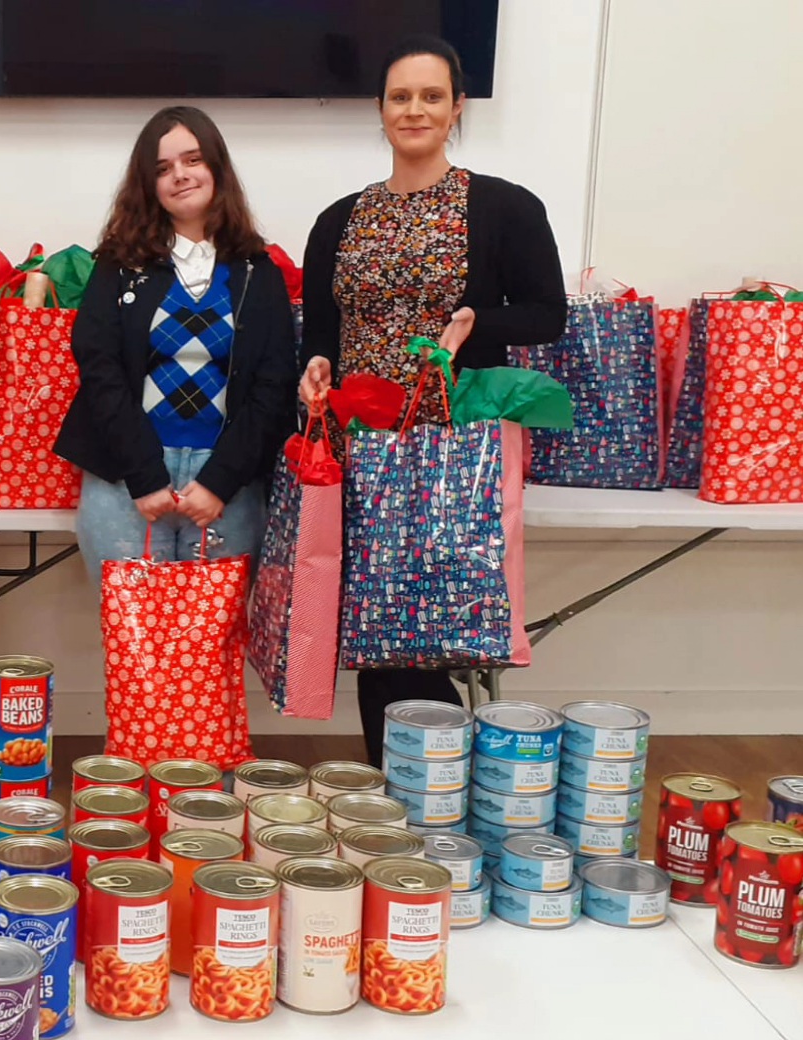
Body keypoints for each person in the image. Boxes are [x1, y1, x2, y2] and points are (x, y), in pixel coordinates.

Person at [299, 35, 567, 764]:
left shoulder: (504, 207)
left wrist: (477, 321)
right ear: (380, 110)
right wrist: (316, 367)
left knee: (436, 631)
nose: (413, 109)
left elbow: (549, 314)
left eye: (430, 96)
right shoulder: (339, 219)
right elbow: (322, 331)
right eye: (399, 96)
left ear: (456, 109)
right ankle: (396, 792)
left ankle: (436, 795)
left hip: (455, 453)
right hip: (366, 449)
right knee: (381, 634)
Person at [57, 107, 296, 578]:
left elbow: (274, 384)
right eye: (162, 169)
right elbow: (99, 368)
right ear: (147, 185)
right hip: (126, 482)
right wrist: (145, 477)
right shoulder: (115, 265)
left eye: (193, 160)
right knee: (135, 647)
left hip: (227, 485)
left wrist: (219, 482)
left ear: (217, 169)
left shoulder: (258, 271)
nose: (179, 176)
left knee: (210, 647)